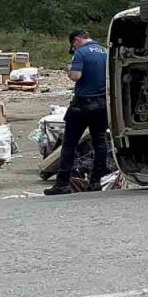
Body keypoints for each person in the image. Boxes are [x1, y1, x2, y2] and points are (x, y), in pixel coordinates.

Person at [45, 31, 111, 196]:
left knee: (69, 144)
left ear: (77, 40)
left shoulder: (80, 53)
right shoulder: (106, 52)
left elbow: (75, 76)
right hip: (103, 104)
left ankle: (62, 183)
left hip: (82, 105)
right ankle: (96, 180)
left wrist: (69, 70)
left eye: (73, 45)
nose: (73, 48)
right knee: (100, 142)